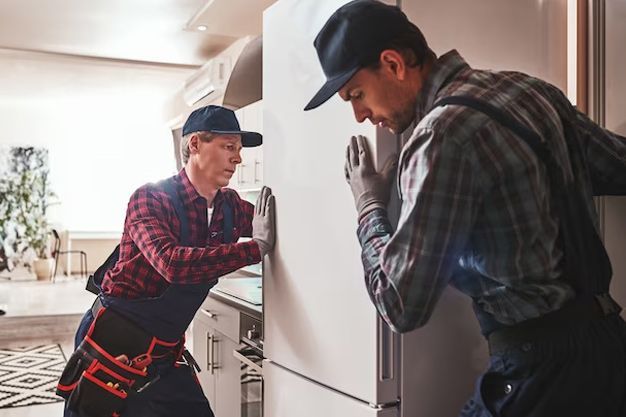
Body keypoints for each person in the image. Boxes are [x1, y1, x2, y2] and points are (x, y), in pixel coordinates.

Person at [304, 1, 626, 416]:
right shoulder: (531, 90)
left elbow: (400, 304)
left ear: (394, 64)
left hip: (540, 369)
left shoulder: (440, 136)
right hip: (608, 347)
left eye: (357, 94)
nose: (360, 115)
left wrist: (368, 203)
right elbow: (617, 166)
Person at [58, 105, 275, 417]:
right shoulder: (150, 199)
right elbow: (172, 264)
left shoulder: (231, 207)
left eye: (239, 150)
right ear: (195, 144)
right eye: (229, 147)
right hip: (114, 345)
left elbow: (271, 227)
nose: (238, 158)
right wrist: (255, 249)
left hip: (164, 352)